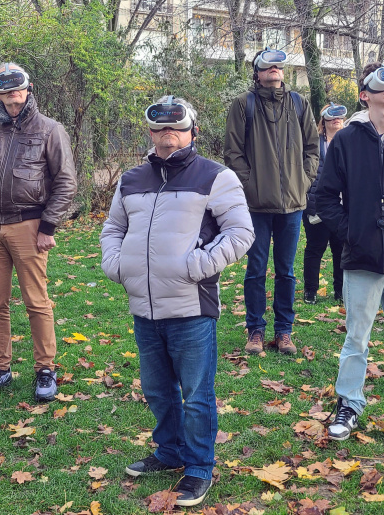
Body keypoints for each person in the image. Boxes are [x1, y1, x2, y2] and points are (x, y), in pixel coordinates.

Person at [101, 96, 254, 508]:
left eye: (177, 127)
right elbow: (113, 227)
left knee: (197, 394)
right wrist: (118, 266)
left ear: (193, 131)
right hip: (144, 306)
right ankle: (168, 451)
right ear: (150, 132)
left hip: (191, 306)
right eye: (160, 127)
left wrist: (198, 265)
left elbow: (240, 232)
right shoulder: (131, 178)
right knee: (156, 389)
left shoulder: (215, 176)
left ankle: (199, 466)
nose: (168, 133)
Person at [316, 62, 384, 444]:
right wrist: (352, 234)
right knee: (356, 339)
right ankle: (349, 403)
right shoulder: (346, 140)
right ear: (365, 93)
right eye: (381, 85)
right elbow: (324, 197)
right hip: (360, 258)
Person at [0, 62, 77, 402]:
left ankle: (45, 369)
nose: (12, 92)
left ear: (29, 88)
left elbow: (66, 182)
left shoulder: (50, 130)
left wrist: (48, 225)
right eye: (4, 86)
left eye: (18, 85)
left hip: (29, 226)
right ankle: (0, 367)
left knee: (36, 301)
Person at [223, 49, 319, 355]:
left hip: (293, 205)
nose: (275, 69)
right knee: (255, 269)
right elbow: (233, 152)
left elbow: (312, 149)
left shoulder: (299, 103)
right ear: (258, 72)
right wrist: (249, 186)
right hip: (256, 206)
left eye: (279, 65)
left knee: (287, 271)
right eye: (268, 66)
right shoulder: (243, 104)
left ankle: (284, 332)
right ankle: (255, 331)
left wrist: (303, 181)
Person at [302, 102, 346, 304]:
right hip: (316, 205)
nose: (336, 119)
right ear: (324, 120)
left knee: (341, 250)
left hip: (343, 206)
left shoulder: (350, 142)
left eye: (340, 116)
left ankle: (341, 291)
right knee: (314, 248)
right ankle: (310, 291)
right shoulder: (313, 143)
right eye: (332, 116)